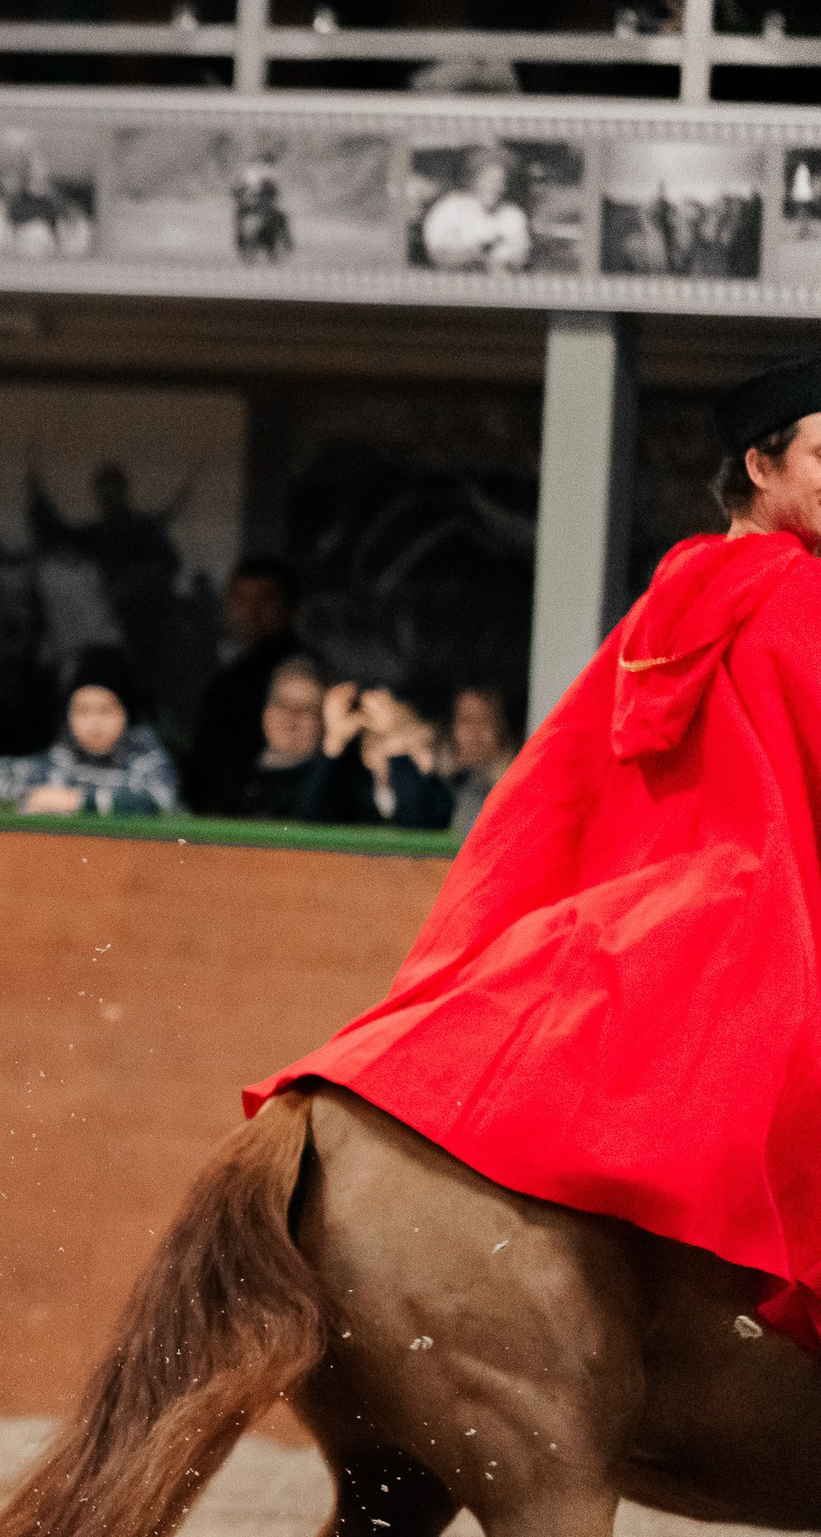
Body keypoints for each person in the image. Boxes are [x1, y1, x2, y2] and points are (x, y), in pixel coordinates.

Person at [248, 351, 821, 1352]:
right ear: (758, 466)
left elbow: (558, 786)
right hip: (757, 909)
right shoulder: (794, 599)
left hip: (657, 904)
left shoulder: (671, 592)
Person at [0, 648, 179, 817]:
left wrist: (76, 802)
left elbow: (159, 802)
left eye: (106, 710)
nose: (93, 723)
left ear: (127, 714)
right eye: (82, 711)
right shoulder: (58, 761)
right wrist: (33, 796)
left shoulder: (149, 762)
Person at [183, 556, 303, 812]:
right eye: (241, 599)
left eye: (266, 599)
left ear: (290, 607)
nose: (251, 610)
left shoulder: (296, 672)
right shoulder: (229, 668)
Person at [296, 679, 454, 830]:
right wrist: (334, 742)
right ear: (367, 753)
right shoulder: (355, 794)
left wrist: (396, 741)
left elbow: (417, 825)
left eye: (419, 744)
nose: (403, 755)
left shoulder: (441, 794)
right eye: (396, 745)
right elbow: (308, 819)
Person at [205, 654, 327, 819]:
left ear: (323, 720)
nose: (290, 718)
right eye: (281, 703)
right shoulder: (230, 779)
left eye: (306, 709)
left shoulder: (329, 786)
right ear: (265, 710)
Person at [419, 150, 534, 273]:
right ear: (476, 181)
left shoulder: (513, 215)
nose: (495, 188)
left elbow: (519, 256)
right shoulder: (451, 207)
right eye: (490, 180)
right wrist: (476, 254)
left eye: (500, 182)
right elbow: (438, 252)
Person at [442, 683, 519, 834]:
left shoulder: (520, 788)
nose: (474, 732)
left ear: (503, 730)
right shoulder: (441, 784)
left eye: (485, 722)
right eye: (466, 721)